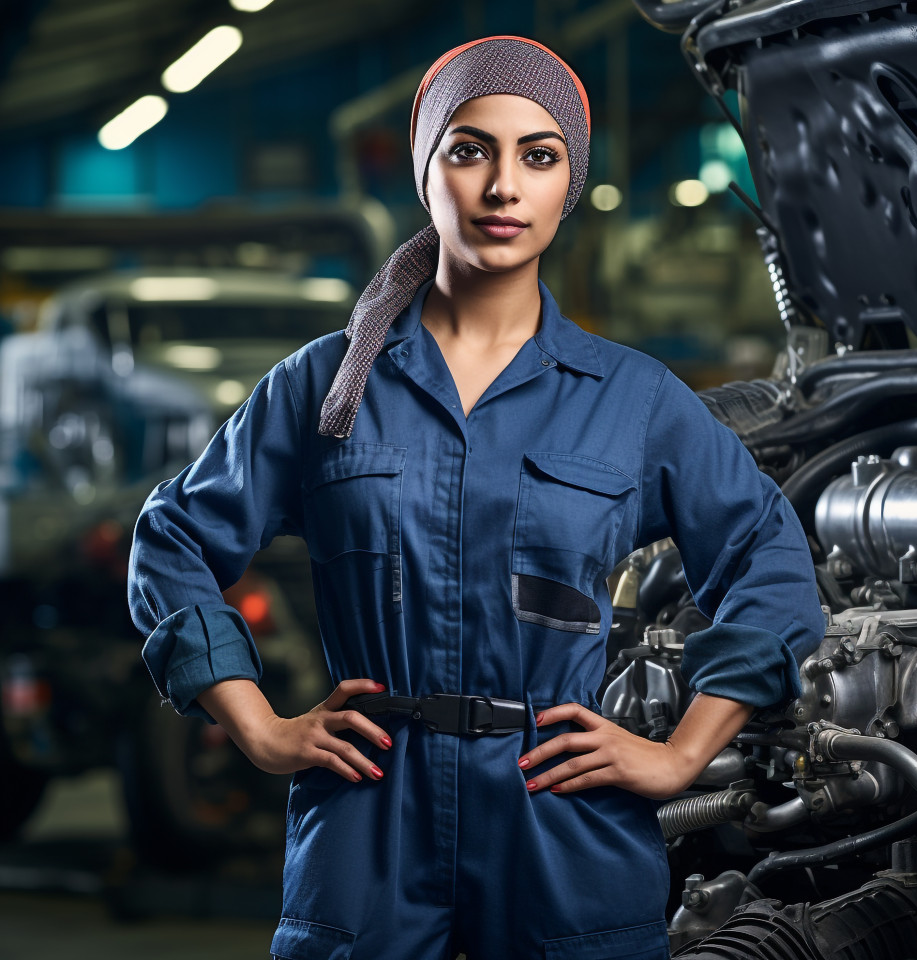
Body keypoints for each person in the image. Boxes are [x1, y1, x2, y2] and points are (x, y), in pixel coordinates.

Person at [128, 36, 824, 960]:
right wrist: (256, 726)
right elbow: (174, 537)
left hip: (560, 817)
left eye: (539, 156)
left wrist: (683, 750)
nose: (503, 187)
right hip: (369, 814)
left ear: (566, 186)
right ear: (427, 175)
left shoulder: (634, 400)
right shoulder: (322, 387)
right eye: (469, 150)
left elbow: (769, 561)